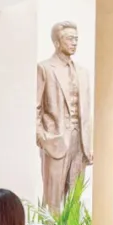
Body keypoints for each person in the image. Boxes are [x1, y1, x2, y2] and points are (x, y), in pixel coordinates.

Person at [36, 21, 94, 212]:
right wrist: (43, 138)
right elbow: (35, 107)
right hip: (55, 141)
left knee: (74, 201)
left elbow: (87, 111)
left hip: (80, 143)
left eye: (76, 39)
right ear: (57, 42)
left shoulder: (83, 73)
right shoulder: (44, 68)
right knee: (53, 201)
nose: (74, 43)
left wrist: (89, 144)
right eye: (69, 38)